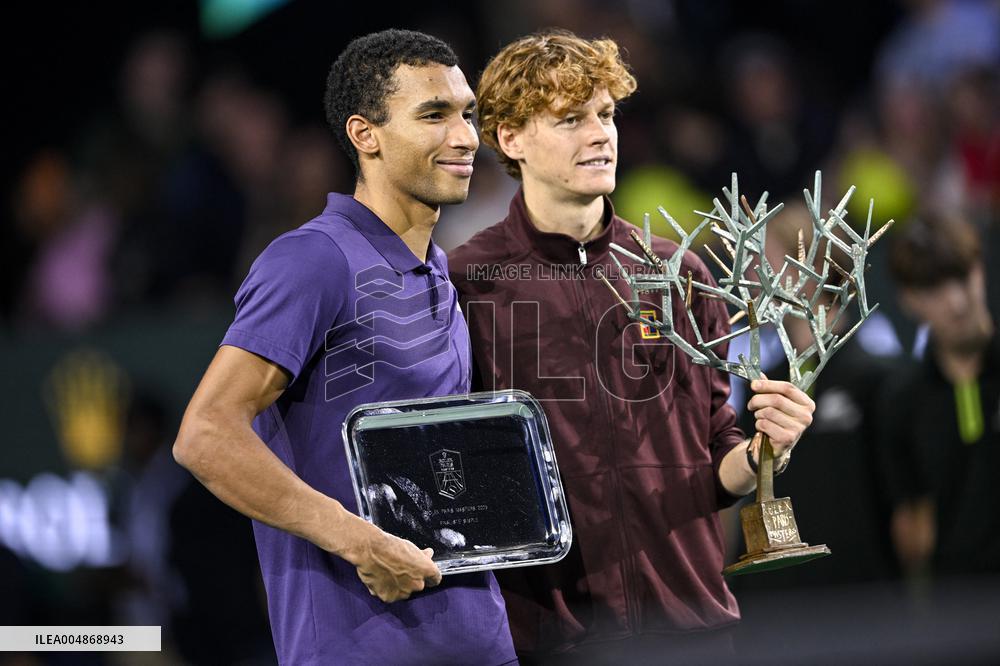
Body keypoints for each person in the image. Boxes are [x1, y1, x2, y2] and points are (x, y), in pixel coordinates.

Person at [448, 30, 815, 662]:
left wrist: (764, 452)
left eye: (607, 114)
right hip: (551, 636)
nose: (600, 134)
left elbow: (715, 453)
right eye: (571, 119)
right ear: (510, 138)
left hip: (693, 625)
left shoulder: (680, 274)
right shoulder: (466, 284)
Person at [173, 29, 515, 665]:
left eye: (466, 114)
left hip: (481, 641)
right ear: (366, 135)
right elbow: (205, 434)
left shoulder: (440, 271)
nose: (466, 136)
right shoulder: (312, 260)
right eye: (434, 115)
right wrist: (363, 543)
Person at [879, 214, 1000, 579]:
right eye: (932, 288)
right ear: (909, 300)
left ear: (980, 270)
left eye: (962, 277)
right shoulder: (900, 400)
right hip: (953, 612)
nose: (957, 302)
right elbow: (910, 527)